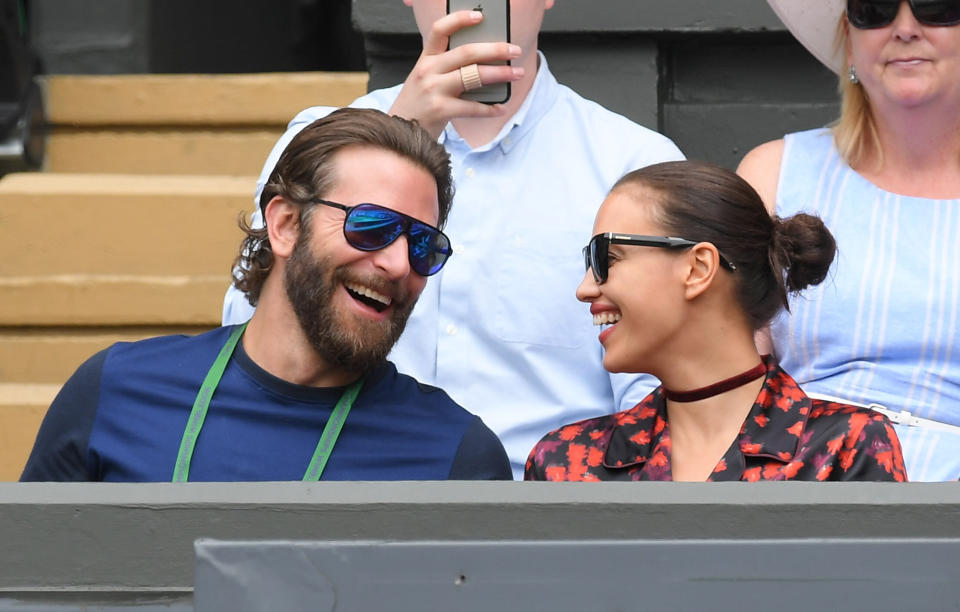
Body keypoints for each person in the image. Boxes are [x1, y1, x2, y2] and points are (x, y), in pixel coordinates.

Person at [222, 1, 684, 477]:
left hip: (545, 508)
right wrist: (395, 136)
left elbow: (660, 385)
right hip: (344, 489)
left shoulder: (631, 164)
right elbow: (250, 330)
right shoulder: (318, 141)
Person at [21, 108, 511, 482]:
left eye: (423, 244)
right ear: (284, 225)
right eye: (372, 226)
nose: (400, 264)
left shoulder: (456, 454)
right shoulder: (116, 391)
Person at [526, 161, 907, 482]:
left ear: (698, 268)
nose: (586, 288)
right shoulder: (564, 462)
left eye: (607, 258)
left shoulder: (845, 448)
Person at [737, 0, 960, 481]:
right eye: (874, 8)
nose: (904, 28)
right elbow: (731, 366)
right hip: (800, 479)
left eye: (938, 6)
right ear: (850, 39)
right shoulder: (774, 173)